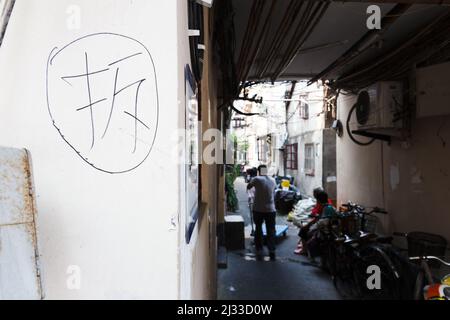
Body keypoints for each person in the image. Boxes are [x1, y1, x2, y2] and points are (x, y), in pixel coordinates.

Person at [246, 164, 277, 261]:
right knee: (271, 230)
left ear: (259, 171)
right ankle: (271, 250)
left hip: (258, 209)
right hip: (271, 209)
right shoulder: (273, 180)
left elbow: (248, 186)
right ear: (266, 171)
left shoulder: (257, 179)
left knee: (258, 228)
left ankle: (259, 248)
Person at [294, 188, 333, 255]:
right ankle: (303, 244)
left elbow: (319, 220)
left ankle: (304, 249)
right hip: (322, 223)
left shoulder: (324, 207)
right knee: (306, 226)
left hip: (322, 226)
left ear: (319, 199)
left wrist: (308, 225)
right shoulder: (328, 206)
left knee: (303, 230)